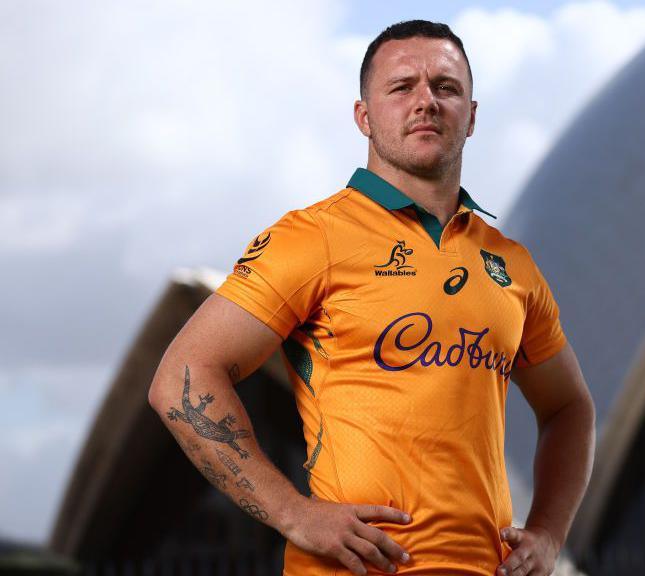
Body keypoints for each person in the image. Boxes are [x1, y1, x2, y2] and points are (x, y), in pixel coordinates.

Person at [148, 19, 595, 576]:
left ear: (472, 116)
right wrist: (293, 512)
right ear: (364, 115)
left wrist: (550, 534)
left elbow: (569, 408)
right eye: (402, 87)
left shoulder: (511, 263)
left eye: (446, 88)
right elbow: (182, 378)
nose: (426, 102)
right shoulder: (313, 236)